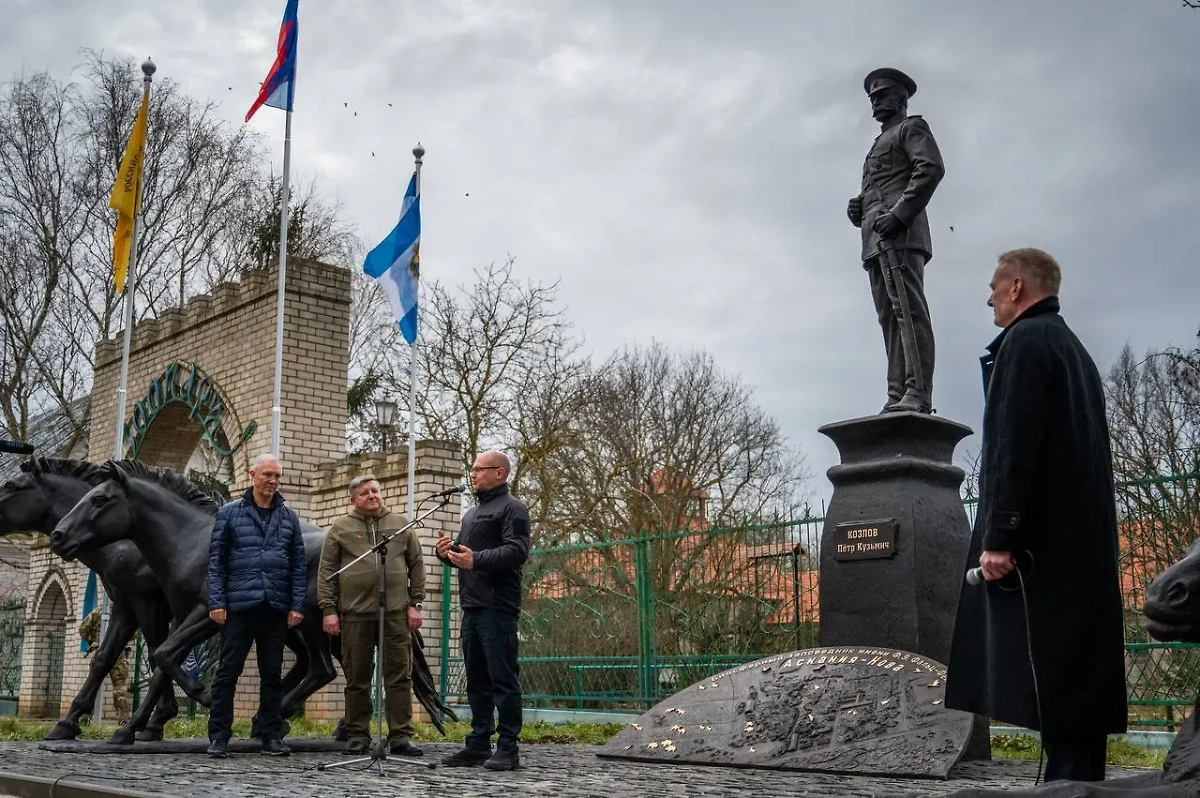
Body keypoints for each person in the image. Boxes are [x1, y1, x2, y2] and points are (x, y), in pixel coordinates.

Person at [945, 248, 1127, 782]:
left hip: (1039, 549)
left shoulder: (1023, 343)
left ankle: (1066, 789)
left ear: (1017, 287)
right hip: (1079, 546)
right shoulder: (1073, 349)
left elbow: (1013, 445)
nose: (989, 298)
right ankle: (1078, 785)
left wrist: (1000, 536)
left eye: (994, 287)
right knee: (1077, 688)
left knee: (1051, 681)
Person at [847, 67, 945, 414]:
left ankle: (918, 392)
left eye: (882, 95)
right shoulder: (877, 144)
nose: (875, 102)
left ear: (901, 98)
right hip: (875, 240)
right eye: (872, 97)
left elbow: (930, 168)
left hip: (900, 236)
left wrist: (900, 214)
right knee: (889, 318)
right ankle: (897, 392)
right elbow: (880, 187)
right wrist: (859, 207)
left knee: (909, 313)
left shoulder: (911, 128)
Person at [205, 453, 307, 758]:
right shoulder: (229, 513)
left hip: (275, 606)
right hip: (238, 606)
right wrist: (216, 601)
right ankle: (219, 736)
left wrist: (297, 605)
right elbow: (216, 562)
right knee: (228, 672)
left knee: (272, 675)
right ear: (253, 475)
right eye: (267, 475)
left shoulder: (288, 517)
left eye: (277, 476)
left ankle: (270, 734)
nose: (272, 481)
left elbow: (298, 565)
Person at [435, 450, 530, 771]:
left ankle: (508, 747)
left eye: (479, 469)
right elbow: (466, 556)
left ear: (499, 472)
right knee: (476, 680)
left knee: (502, 679)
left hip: (497, 606)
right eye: (472, 469)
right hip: (472, 606)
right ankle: (477, 744)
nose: (473, 474)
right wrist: (446, 553)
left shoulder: (513, 508)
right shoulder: (471, 514)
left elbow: (516, 551)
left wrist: (475, 559)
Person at [317, 474, 426, 756]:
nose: (372, 496)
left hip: (395, 614)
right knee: (357, 678)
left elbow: (416, 564)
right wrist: (329, 610)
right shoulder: (340, 528)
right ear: (352, 499)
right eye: (365, 493)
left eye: (376, 491)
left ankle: (400, 735)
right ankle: (358, 735)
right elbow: (327, 571)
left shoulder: (400, 524)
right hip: (355, 614)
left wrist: (416, 604)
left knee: (399, 676)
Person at [79, 607, 131, 721]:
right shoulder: (126, 610)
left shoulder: (99, 611)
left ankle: (85, 717)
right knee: (120, 686)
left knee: (92, 684)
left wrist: (94, 640)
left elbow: (83, 629)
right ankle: (123, 719)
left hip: (100, 649)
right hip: (118, 651)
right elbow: (133, 633)